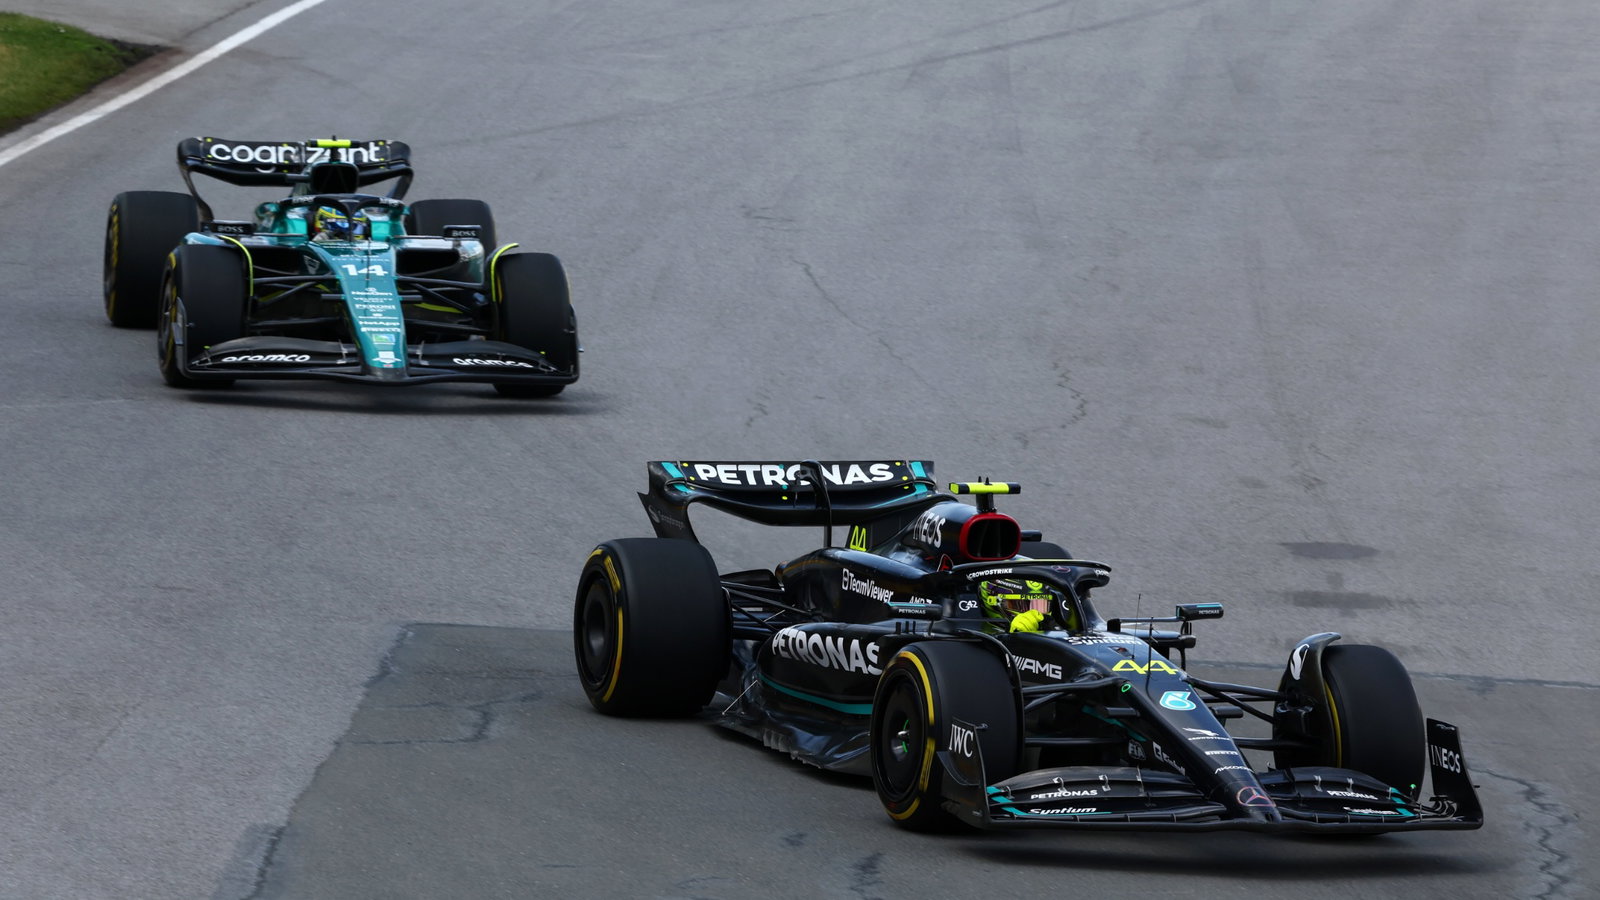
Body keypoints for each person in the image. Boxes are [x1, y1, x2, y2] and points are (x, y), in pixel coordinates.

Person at [979, 578, 1076, 632]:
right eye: (1023, 605)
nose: (1036, 614)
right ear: (995, 601)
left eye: (1041, 605)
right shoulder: (977, 638)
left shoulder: (1053, 627)